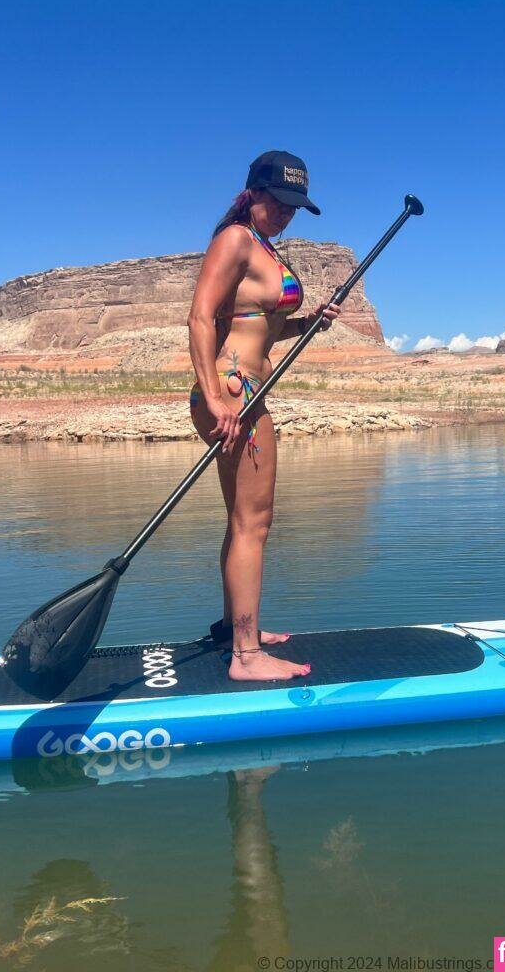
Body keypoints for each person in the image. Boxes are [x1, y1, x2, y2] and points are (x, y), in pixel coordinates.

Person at [187, 151, 340, 682]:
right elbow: (200, 317)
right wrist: (214, 399)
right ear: (252, 193)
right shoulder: (235, 239)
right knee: (254, 524)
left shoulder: (263, 246)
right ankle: (247, 655)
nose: (285, 213)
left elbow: (260, 327)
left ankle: (234, 628)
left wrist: (309, 323)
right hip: (235, 397)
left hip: (245, 394)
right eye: (277, 202)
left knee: (241, 521)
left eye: (294, 207)